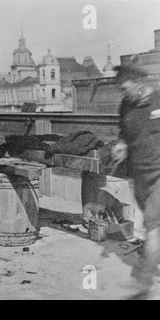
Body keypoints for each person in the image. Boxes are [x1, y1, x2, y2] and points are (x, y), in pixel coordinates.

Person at [111, 64, 160, 299]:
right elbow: (124, 131)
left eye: (127, 88)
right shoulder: (126, 106)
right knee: (153, 226)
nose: (125, 94)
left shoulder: (159, 101)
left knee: (153, 227)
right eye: (121, 90)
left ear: (140, 83)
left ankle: (143, 284)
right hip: (139, 175)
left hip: (159, 174)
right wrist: (121, 144)